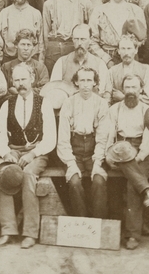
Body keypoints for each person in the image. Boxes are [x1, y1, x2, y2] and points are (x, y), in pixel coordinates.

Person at [0, 64, 57, 249]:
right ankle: (8, 230)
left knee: (29, 174)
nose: (21, 84)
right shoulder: (7, 104)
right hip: (13, 150)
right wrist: (6, 154)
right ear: (13, 82)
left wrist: (32, 154)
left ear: (32, 80)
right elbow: (0, 136)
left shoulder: (43, 102)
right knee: (4, 173)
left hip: (38, 152)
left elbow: (50, 139)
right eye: (17, 80)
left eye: (24, 79)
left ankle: (30, 233)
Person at [105, 74, 149, 250]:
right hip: (119, 147)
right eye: (127, 88)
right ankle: (146, 189)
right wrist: (108, 155)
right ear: (122, 90)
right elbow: (109, 134)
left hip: (140, 148)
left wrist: (140, 156)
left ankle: (132, 235)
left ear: (141, 89)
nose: (131, 91)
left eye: (134, 87)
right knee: (115, 186)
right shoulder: (115, 109)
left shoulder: (147, 110)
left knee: (132, 188)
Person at [57, 67, 109, 219]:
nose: (86, 85)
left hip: (94, 151)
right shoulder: (68, 103)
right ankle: (81, 223)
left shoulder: (101, 103)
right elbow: (63, 139)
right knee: (74, 182)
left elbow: (102, 138)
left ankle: (98, 223)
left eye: (89, 80)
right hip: (74, 152)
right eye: (82, 80)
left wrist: (98, 162)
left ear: (95, 83)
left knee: (99, 181)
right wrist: (71, 164)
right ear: (76, 82)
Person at [41, 0, 94, 73]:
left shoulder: (85, 3)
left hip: (74, 47)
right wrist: (46, 52)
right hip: (54, 47)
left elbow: (91, 32)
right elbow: (45, 33)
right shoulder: (49, 4)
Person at [88, 0, 147, 68]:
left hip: (130, 57)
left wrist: (129, 48)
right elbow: (91, 40)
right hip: (106, 57)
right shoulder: (99, 11)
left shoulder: (136, 10)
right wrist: (106, 60)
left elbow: (143, 38)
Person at [50, 23, 111, 101]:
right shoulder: (61, 63)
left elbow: (104, 94)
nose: (79, 43)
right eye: (76, 39)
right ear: (72, 39)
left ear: (90, 39)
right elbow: (54, 91)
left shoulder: (100, 64)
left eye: (83, 39)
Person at [0, 0, 43, 64]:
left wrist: (39, 61)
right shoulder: (5, 13)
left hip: (31, 59)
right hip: (9, 59)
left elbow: (40, 40)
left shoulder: (35, 13)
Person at [107, 34, 149, 106]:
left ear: (136, 50)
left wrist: (123, 97)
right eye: (123, 48)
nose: (126, 53)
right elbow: (107, 97)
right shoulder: (112, 71)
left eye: (129, 48)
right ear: (119, 51)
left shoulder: (146, 69)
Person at [1, 29, 49, 97]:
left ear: (33, 47)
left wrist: (20, 91)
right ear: (16, 45)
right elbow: (2, 90)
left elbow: (45, 89)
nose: (26, 48)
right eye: (23, 44)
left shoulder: (40, 67)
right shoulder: (6, 67)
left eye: (29, 45)